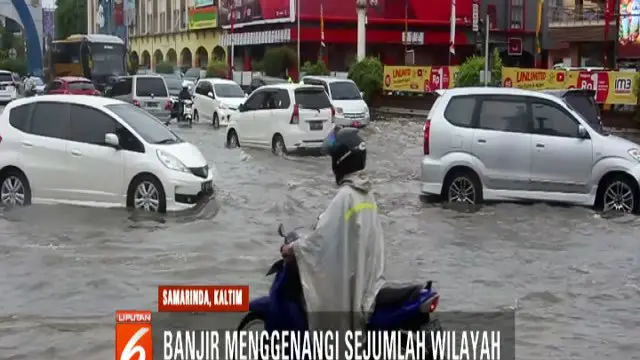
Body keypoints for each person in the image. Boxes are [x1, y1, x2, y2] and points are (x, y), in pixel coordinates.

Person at [280, 126, 385, 331]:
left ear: (340, 161)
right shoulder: (366, 195)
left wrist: (293, 249)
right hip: (368, 283)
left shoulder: (345, 197)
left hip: (355, 286)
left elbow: (320, 240)